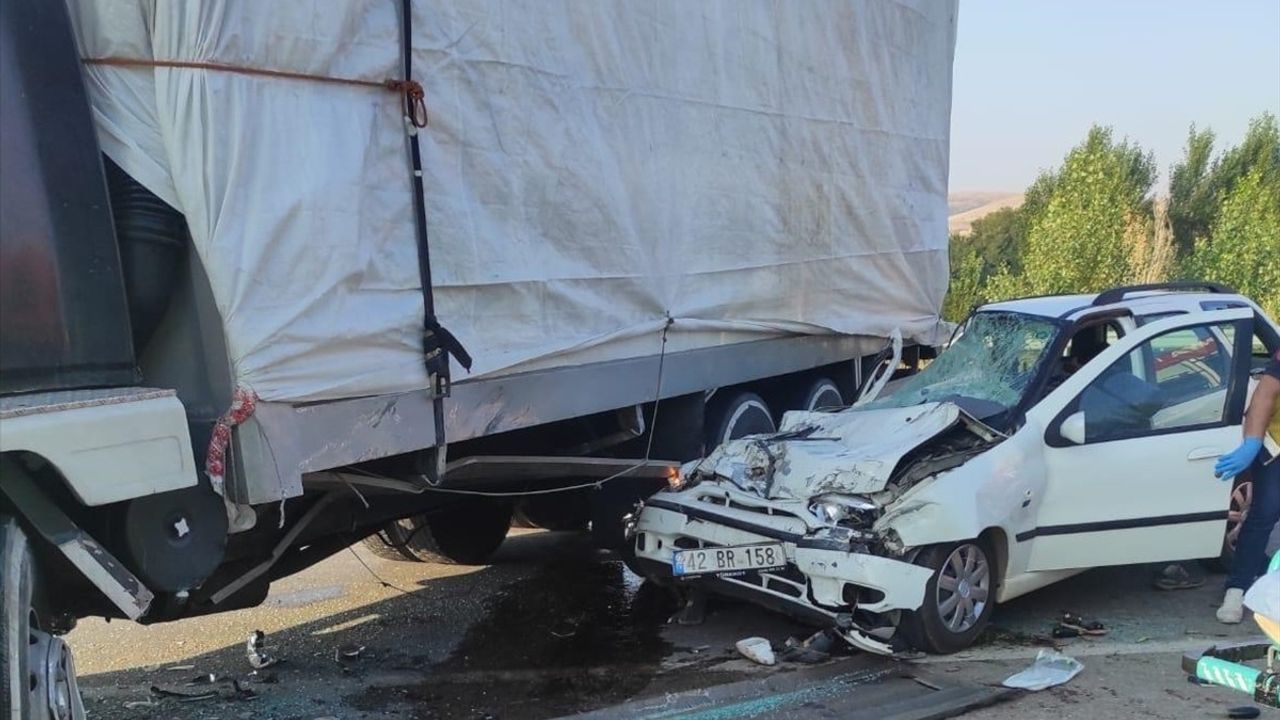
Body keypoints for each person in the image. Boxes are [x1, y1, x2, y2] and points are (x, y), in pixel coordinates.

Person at [1215, 348, 1280, 624]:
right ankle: (1237, 588)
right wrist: (1251, 442)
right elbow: (1264, 395)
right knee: (1265, 511)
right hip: (1276, 443)